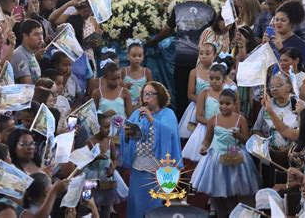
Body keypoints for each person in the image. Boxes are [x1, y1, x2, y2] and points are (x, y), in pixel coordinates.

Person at [152, 0, 216, 119]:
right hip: (202, 61)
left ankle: (181, 125)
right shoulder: (210, 10)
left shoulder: (178, 8)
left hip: (181, 58)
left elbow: (167, 30)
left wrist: (153, 42)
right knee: (201, 93)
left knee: (181, 94)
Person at [191, 89, 260, 217]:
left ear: (235, 105)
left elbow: (246, 141)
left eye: (227, 104)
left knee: (233, 192)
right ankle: (219, 213)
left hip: (235, 158)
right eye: (221, 103)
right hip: (216, 158)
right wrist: (204, 147)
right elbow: (207, 139)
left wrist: (238, 135)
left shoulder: (241, 120)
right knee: (216, 191)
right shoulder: (213, 120)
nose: (223, 106)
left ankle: (233, 214)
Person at [120, 81, 182, 218]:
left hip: (157, 166)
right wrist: (126, 132)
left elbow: (170, 133)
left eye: (150, 94)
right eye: (144, 94)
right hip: (138, 164)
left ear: (159, 96)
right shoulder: (137, 113)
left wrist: (151, 119)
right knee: (136, 202)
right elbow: (127, 132)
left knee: (154, 204)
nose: (146, 97)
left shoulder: (168, 114)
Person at [182, 63, 226, 162]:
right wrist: (211, 124)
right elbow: (198, 116)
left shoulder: (227, 94)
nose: (214, 81)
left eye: (217, 79)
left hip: (222, 130)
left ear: (224, 79)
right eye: (211, 78)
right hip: (205, 129)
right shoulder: (204, 93)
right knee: (202, 158)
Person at [178, 43, 215, 139]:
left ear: (214, 55)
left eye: (207, 53)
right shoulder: (194, 72)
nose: (203, 56)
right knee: (193, 134)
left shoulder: (218, 72)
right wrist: (202, 103)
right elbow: (190, 94)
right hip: (196, 107)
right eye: (201, 53)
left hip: (213, 107)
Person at [84, 114, 117, 218]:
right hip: (89, 181)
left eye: (109, 127)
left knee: (106, 207)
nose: (108, 130)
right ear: (97, 127)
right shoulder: (89, 142)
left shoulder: (110, 142)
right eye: (105, 127)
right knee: (88, 206)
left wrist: (112, 168)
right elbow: (82, 163)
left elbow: (114, 159)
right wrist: (95, 158)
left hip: (106, 180)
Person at [264, 0, 305, 67]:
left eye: (283, 20)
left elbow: (299, 73)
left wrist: (282, 50)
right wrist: (263, 46)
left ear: (292, 23)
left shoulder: (300, 46)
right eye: (276, 19)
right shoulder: (271, 40)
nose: (278, 23)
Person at [10, 19, 44, 84]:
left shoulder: (31, 53)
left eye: (41, 34)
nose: (40, 38)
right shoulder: (19, 55)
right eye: (36, 34)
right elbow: (27, 84)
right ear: (25, 36)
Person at [122, 41, 153, 106]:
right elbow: (117, 89)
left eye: (140, 56)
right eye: (134, 56)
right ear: (128, 56)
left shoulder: (147, 72)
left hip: (143, 105)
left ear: (143, 57)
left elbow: (151, 91)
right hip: (127, 106)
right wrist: (124, 86)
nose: (137, 58)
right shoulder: (123, 71)